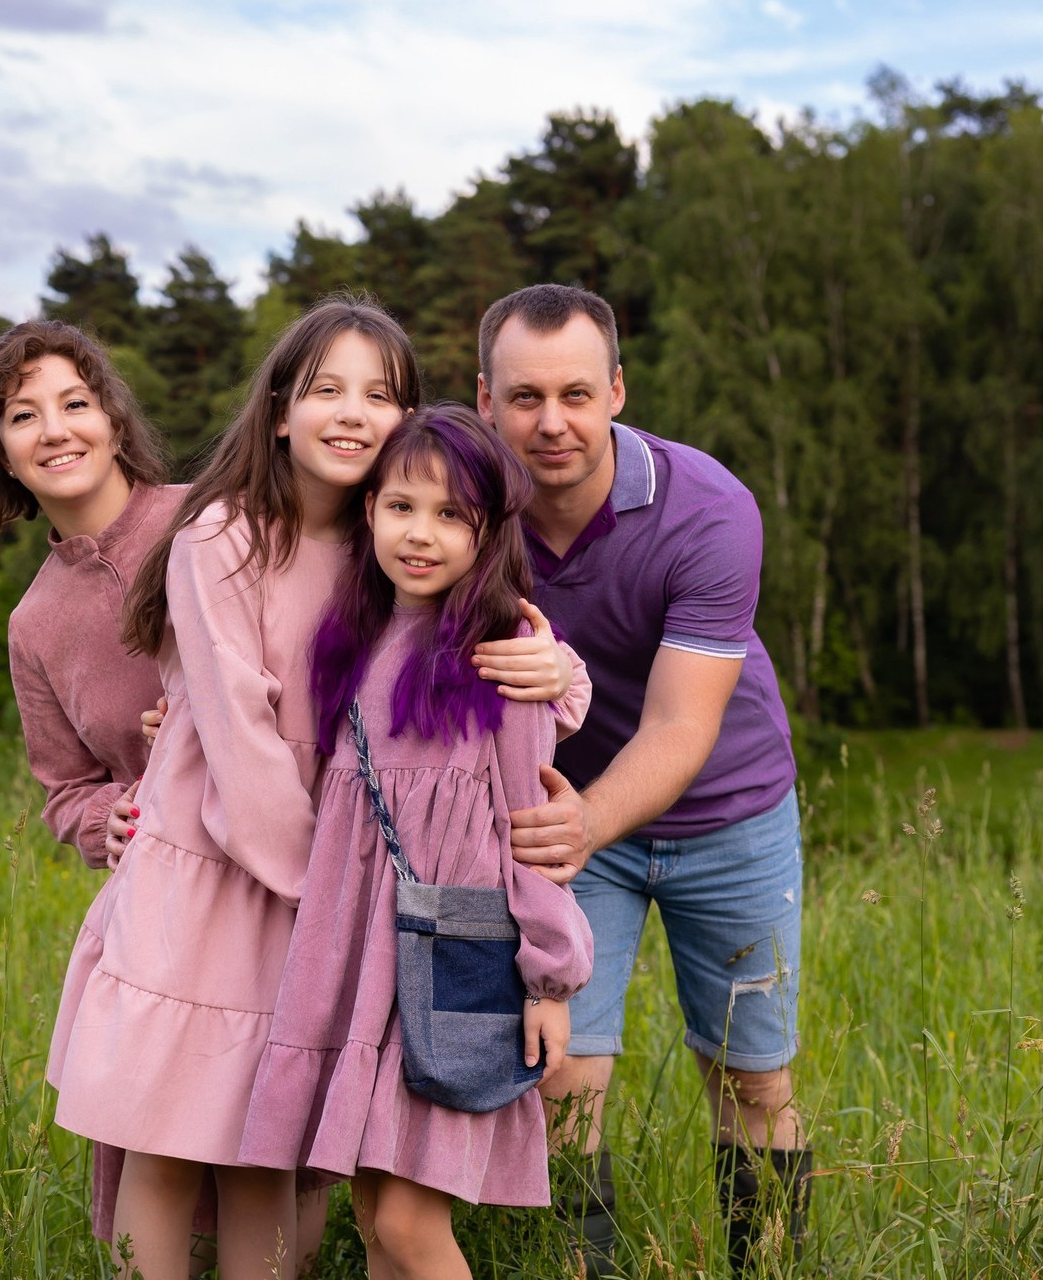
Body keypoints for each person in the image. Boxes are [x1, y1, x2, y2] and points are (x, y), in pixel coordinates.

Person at [46, 299, 585, 1280]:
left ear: (408, 422)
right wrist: (324, 891)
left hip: (340, 890)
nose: (350, 411)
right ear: (280, 408)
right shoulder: (224, 536)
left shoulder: (393, 548)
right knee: (167, 1132)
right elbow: (242, 739)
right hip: (224, 874)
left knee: (272, 1145)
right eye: (325, 387)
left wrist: (563, 675)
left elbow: (491, 660)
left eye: (378, 393)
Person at [474, 284, 808, 1277]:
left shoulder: (707, 509)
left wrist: (583, 824)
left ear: (615, 389)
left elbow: (678, 723)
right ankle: (589, 1270)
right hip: (565, 817)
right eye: (523, 395)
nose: (551, 422)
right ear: (482, 399)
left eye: (575, 392)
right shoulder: (457, 507)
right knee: (562, 1075)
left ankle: (772, 1265)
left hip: (725, 809)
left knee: (749, 1077)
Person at [241, 405, 593, 1280]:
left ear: (488, 532)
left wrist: (549, 982)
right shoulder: (350, 640)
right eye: (402, 507)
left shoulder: (502, 652)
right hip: (355, 961)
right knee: (372, 1215)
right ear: (369, 513)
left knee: (404, 1222)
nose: (421, 535)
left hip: (451, 964)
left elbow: (529, 830)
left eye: (450, 517)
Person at [0, 318, 198, 1252]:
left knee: (265, 1158)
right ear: (1, 455)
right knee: (151, 1150)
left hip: (276, 879)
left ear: (115, 422)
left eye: (75, 404)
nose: (54, 430)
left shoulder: (205, 518)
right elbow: (65, 789)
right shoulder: (34, 624)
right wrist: (112, 821)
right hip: (156, 914)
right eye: (23, 416)